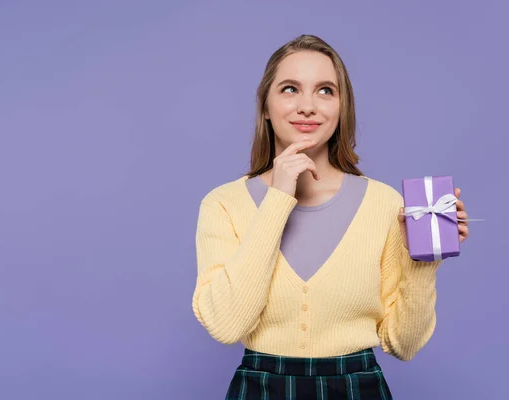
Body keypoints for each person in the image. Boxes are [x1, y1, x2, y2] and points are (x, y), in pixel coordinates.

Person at [191, 34, 471, 399]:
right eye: (290, 89)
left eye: (325, 91)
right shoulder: (223, 203)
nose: (308, 106)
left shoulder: (384, 203)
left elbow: (405, 344)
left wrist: (423, 261)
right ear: (265, 106)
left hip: (358, 387)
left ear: (342, 108)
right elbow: (226, 325)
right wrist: (278, 196)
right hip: (260, 387)